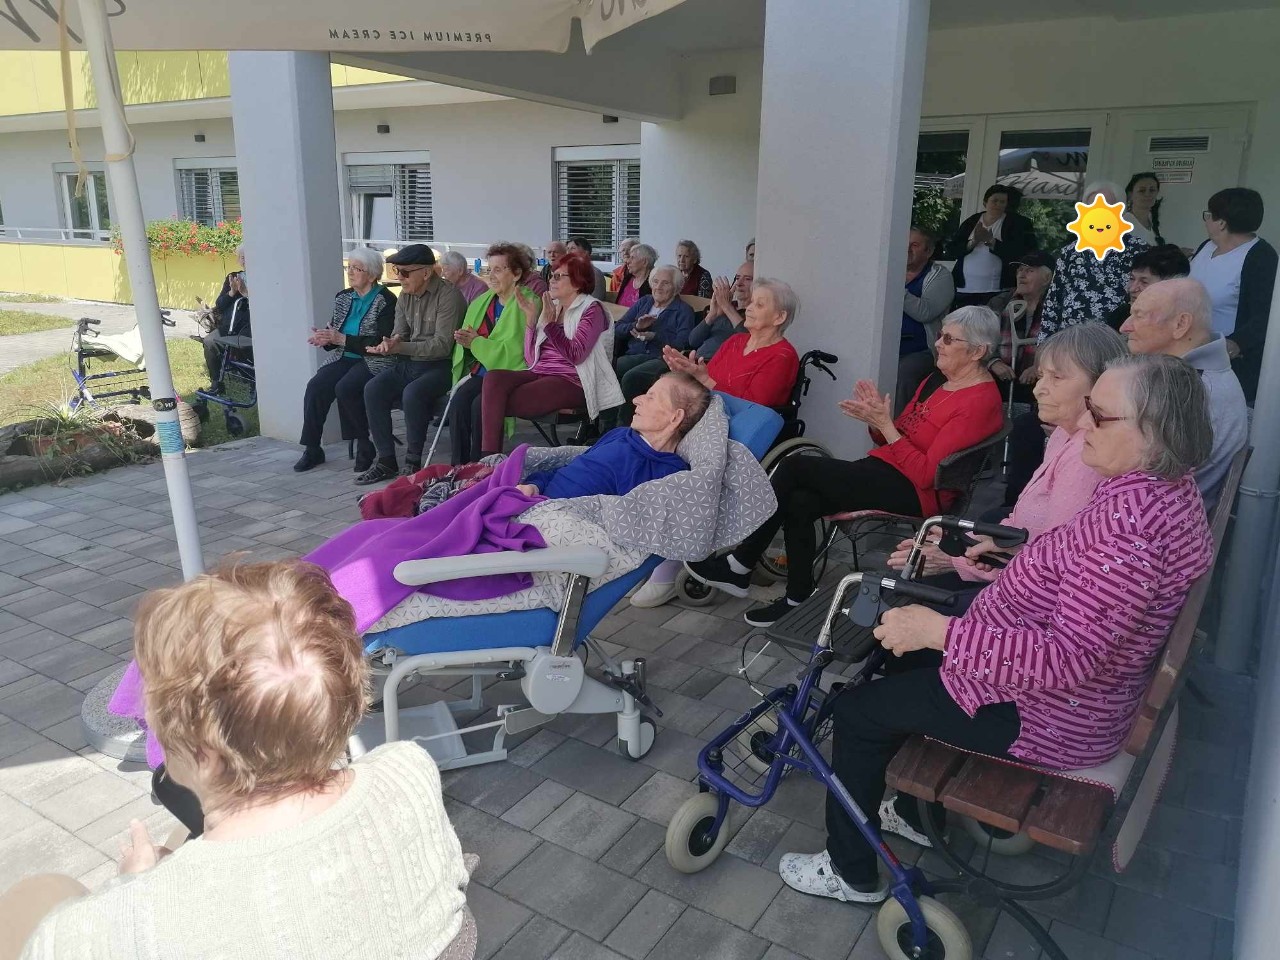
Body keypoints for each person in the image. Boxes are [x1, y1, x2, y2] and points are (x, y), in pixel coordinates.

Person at [777, 354, 1213, 905]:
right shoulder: (1161, 490)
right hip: (1053, 683)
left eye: (1100, 415)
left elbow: (1068, 659)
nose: (1083, 422)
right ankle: (912, 811)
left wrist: (941, 633)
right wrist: (1011, 567)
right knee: (897, 658)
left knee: (858, 712)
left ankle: (850, 872)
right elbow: (1084, 585)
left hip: (1049, 713)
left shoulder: (1129, 538)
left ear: (1155, 432)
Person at [6, 560, 473, 959]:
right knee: (180, 836)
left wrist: (131, 889)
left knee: (41, 892)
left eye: (153, 709)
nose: (146, 715)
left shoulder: (91, 934)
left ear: (204, 756)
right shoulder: (410, 771)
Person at [687, 307, 1003, 627]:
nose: (938, 343)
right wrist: (876, 420)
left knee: (795, 466)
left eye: (948, 339)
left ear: (978, 351)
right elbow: (892, 438)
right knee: (800, 501)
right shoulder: (936, 381)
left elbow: (927, 475)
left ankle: (741, 561)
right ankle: (797, 596)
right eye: (940, 335)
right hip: (888, 469)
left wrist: (886, 427)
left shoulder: (979, 402)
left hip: (919, 492)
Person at [888, 322, 1128, 593]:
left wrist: (955, 561)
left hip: (1029, 592)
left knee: (909, 587)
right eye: (1041, 376)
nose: (1038, 389)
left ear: (1101, 387)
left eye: (1057, 378)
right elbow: (1021, 521)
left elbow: (1050, 561)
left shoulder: (1088, 456)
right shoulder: (1064, 433)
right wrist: (965, 542)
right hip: (1011, 562)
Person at [1121, 277, 1248, 509]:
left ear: (1180, 324)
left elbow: (1140, 478)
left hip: (1151, 518)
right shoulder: (1204, 376)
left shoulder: (1188, 388)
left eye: (1139, 315)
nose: (1125, 327)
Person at [479, 252, 623, 456]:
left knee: (489, 404)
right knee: (494, 378)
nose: (551, 281)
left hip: (572, 380)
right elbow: (531, 359)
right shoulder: (553, 307)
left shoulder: (592, 310)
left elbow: (576, 355)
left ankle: (489, 460)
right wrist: (531, 321)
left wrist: (549, 326)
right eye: (551, 276)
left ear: (577, 281)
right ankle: (489, 459)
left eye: (557, 276)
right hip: (541, 373)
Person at [347, 244, 466, 485]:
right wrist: (390, 343)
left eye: (404, 272)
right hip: (411, 362)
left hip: (441, 365)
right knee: (373, 389)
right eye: (396, 271)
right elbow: (400, 332)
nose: (399, 277)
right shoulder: (405, 295)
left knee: (413, 393)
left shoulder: (449, 296)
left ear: (426, 272)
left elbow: (442, 346)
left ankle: (413, 461)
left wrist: (400, 347)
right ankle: (386, 461)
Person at [516, 373, 709, 499]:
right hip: (535, 500)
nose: (636, 400)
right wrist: (535, 486)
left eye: (651, 397)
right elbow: (567, 470)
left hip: (561, 529)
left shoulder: (667, 475)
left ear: (675, 417)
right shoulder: (620, 434)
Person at [294, 248, 399, 472]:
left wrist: (341, 339)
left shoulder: (386, 300)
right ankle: (312, 448)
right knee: (316, 386)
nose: (350, 272)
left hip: (373, 359)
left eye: (356, 268)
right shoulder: (343, 297)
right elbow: (336, 332)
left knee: (345, 387)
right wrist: (326, 338)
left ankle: (364, 443)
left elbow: (380, 340)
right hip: (344, 356)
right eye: (348, 267)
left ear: (372, 274)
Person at [448, 242, 540, 465]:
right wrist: (464, 340)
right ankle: (459, 466)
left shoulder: (529, 303)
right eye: (489, 269)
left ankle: (481, 466)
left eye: (498, 270)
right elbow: (471, 346)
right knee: (458, 402)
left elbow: (517, 353)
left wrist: (476, 342)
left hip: (510, 376)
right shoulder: (482, 302)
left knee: (479, 406)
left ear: (516, 274)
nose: (491, 276)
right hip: (483, 371)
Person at [1189, 187, 1278, 404]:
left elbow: (1265, 314)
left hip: (1228, 362)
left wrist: (1236, 343)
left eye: (1208, 215)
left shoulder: (1260, 257)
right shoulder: (1207, 246)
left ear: (1221, 223)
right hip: (1191, 351)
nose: (1206, 221)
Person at [662, 277, 801, 410]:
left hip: (732, 423)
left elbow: (753, 408)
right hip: (706, 412)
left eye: (759, 305)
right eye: (751, 302)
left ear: (779, 317)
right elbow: (707, 380)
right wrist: (688, 374)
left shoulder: (782, 356)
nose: (749, 308)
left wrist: (705, 380)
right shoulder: (736, 340)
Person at [1038, 181, 1149, 342]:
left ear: (1121, 211)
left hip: (1117, 342)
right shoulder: (1070, 252)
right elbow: (1053, 302)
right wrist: (1043, 345)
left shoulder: (1138, 250)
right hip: (1072, 341)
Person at [605, 264, 697, 430]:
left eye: (665, 283)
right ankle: (605, 428)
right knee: (606, 370)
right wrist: (636, 326)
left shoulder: (684, 310)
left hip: (661, 359)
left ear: (676, 288)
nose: (658, 287)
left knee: (631, 377)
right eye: (655, 281)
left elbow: (683, 343)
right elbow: (617, 329)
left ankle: (623, 429)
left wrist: (655, 336)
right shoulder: (644, 302)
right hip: (634, 355)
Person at [944, 185, 1036, 308]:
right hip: (965, 289)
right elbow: (952, 250)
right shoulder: (972, 221)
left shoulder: (1017, 223)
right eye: (994, 201)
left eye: (1002, 202)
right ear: (985, 203)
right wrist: (973, 241)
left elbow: (1022, 253)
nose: (998, 205)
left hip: (999, 290)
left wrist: (992, 242)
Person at [897, 227, 956, 414]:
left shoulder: (940, 276)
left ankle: (896, 426)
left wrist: (895, 287)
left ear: (928, 251)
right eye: (905, 244)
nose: (907, 249)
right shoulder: (891, 270)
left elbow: (925, 312)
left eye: (914, 245)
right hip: (887, 346)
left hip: (922, 350)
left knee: (904, 372)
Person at [985, 250, 1054, 404]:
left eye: (1029, 271)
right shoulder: (1000, 302)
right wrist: (993, 362)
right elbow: (981, 336)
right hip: (1000, 382)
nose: (1021, 275)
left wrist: (1039, 366)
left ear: (1047, 278)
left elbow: (1064, 345)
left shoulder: (1057, 308)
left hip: (1042, 385)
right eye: (1020, 270)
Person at [1102, 244, 1191, 331]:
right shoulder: (1120, 315)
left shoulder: (1182, 324)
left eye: (1144, 282)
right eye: (1132, 278)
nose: (1132, 289)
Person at [203, 246, 250, 394]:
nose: (245, 261)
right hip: (229, 327)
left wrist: (246, 294)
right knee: (210, 341)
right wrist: (232, 292)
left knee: (248, 346)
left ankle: (254, 383)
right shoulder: (233, 277)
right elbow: (220, 305)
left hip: (250, 328)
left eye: (249, 256)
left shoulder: (263, 277)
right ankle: (216, 382)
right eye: (242, 257)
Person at [688, 260, 754, 362]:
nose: (739, 283)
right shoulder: (721, 307)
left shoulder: (755, 313)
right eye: (737, 278)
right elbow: (693, 341)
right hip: (697, 361)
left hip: (722, 365)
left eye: (747, 279)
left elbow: (749, 340)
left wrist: (726, 307)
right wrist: (712, 315)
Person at [1124, 172, 1165, 247]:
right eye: (1142, 191)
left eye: (1152, 190)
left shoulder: (1153, 221)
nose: (1147, 194)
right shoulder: (1124, 222)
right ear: (1130, 195)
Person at [616, 243, 657, 308]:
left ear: (644, 262)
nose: (628, 261)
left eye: (632, 258)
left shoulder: (653, 285)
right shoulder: (627, 278)